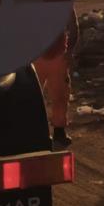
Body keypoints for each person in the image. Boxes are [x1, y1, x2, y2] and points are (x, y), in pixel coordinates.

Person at [33, 8, 79, 147]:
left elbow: (73, 26)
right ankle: (37, 132)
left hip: (56, 54)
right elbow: (73, 26)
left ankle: (58, 131)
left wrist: (69, 51)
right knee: (34, 97)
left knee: (60, 96)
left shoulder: (62, 1)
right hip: (37, 55)